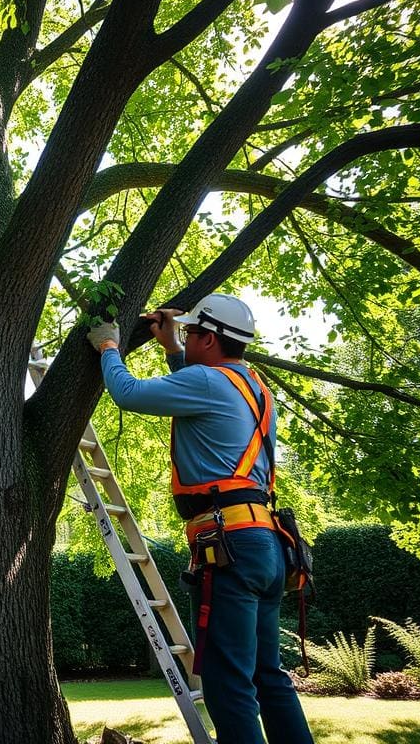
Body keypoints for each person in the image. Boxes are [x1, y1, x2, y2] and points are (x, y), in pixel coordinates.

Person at [86, 293, 313, 744]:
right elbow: (195, 390)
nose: (186, 339)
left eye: (191, 334)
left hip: (231, 545)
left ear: (209, 339)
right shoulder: (252, 387)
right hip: (265, 544)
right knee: (269, 675)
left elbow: (128, 393)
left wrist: (109, 348)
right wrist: (172, 346)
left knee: (228, 680)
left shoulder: (209, 383)